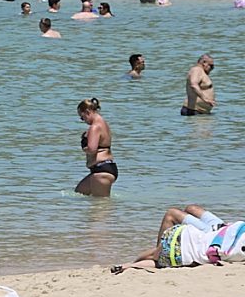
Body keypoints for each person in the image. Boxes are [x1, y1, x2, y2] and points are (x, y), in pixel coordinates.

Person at [113, 205, 245, 271]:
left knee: (171, 214)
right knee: (191, 208)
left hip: (214, 235)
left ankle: (158, 251)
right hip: (224, 231)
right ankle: (147, 258)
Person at [76, 98, 117, 197]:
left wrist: (84, 147)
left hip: (101, 170)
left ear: (87, 112)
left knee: (100, 204)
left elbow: (92, 149)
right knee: (79, 192)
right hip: (103, 168)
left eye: (82, 118)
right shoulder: (103, 124)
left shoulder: (95, 127)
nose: (84, 121)